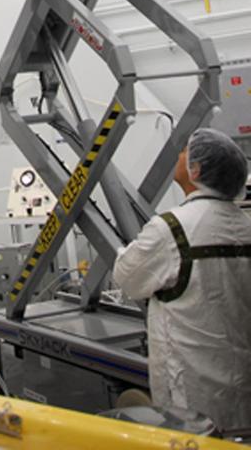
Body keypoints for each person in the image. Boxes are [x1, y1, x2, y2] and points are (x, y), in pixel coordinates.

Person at [113, 128, 251, 434]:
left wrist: (127, 251)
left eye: (186, 151)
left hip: (192, 401)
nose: (179, 156)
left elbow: (128, 278)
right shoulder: (245, 225)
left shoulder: (172, 229)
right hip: (242, 394)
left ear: (197, 169)